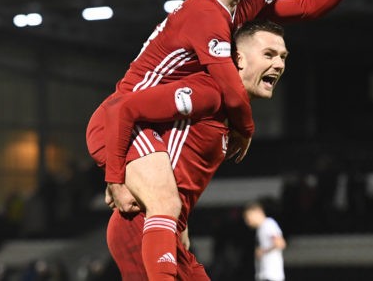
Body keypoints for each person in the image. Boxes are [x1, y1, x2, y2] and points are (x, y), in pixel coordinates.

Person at [86, 0, 368, 280]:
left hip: (143, 126)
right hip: (122, 120)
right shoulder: (205, 18)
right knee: (165, 202)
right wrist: (245, 129)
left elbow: (303, 7)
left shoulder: (242, 8)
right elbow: (228, 88)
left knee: (169, 208)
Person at [99, 20, 289, 280]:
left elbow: (177, 164)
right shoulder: (207, 92)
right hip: (142, 226)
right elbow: (122, 108)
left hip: (168, 232)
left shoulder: (227, 111)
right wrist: (115, 179)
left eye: (282, 57)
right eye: (268, 54)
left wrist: (182, 221)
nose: (279, 64)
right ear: (238, 59)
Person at [243, 201, 287, 281]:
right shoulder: (261, 228)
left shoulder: (268, 224)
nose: (247, 221)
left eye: (247, 216)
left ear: (256, 212)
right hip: (265, 275)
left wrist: (262, 251)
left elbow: (280, 243)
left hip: (271, 275)